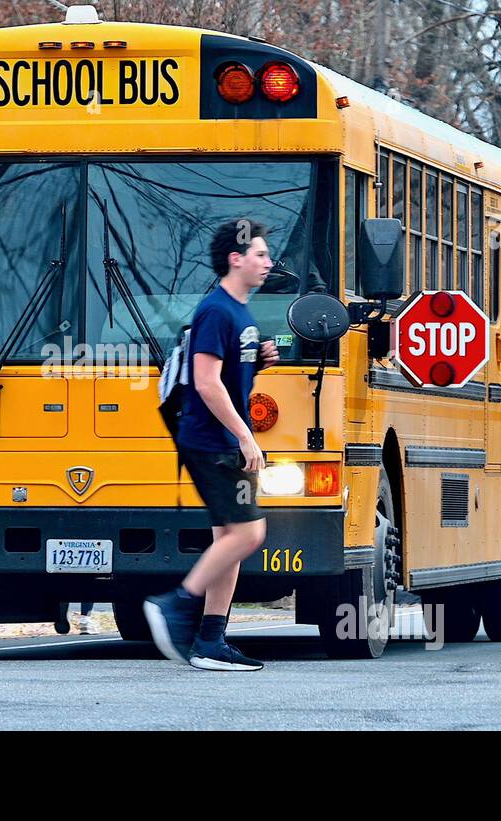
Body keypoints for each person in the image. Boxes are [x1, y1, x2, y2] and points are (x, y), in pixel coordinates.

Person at [144, 219, 279, 671]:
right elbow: (204, 382)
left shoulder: (241, 312)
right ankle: (176, 603)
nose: (268, 262)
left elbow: (228, 381)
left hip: (225, 441)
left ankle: (210, 641)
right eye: (260, 254)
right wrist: (245, 436)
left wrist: (257, 361)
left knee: (230, 537)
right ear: (235, 259)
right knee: (248, 532)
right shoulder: (217, 310)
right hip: (209, 442)